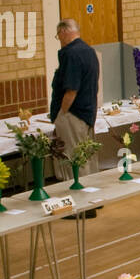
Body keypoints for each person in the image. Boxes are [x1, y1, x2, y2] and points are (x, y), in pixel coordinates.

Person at [48, 19, 100, 175]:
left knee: (75, 160)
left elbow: (71, 90)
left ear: (64, 32)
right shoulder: (89, 50)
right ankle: (93, 193)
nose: (59, 40)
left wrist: (62, 113)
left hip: (73, 114)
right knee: (88, 156)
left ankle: (79, 194)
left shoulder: (71, 54)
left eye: (58, 35)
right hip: (88, 112)